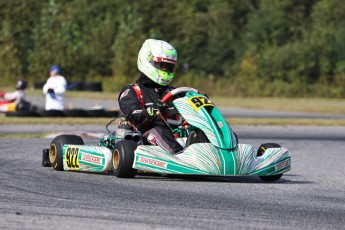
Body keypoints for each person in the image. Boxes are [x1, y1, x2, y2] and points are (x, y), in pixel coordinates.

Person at [118, 39, 184, 154]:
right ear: (148, 62)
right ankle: (181, 158)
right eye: (163, 66)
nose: (166, 70)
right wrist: (151, 111)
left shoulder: (176, 92)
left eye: (169, 67)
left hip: (178, 136)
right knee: (158, 130)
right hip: (147, 138)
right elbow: (135, 117)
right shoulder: (132, 91)